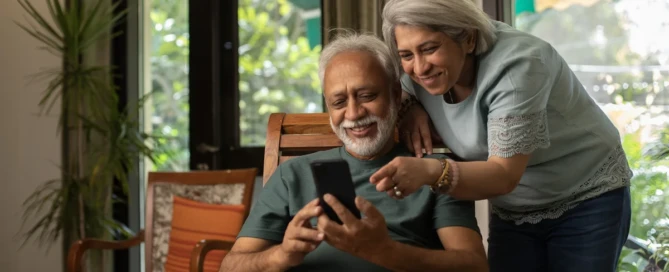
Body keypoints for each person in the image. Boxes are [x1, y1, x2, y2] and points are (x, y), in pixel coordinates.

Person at [369, 0, 634, 271]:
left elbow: (504, 175)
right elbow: (397, 85)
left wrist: (430, 171)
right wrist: (409, 105)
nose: (420, 68)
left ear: (469, 39)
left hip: (586, 193)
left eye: (430, 48)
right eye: (407, 55)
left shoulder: (519, 64)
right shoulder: (414, 75)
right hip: (514, 209)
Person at [219, 32, 487, 272]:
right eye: (338, 102)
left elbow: (474, 265)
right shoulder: (292, 175)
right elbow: (231, 266)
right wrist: (281, 255)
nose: (354, 114)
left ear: (396, 95)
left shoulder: (434, 172)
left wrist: (385, 251)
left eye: (367, 96)